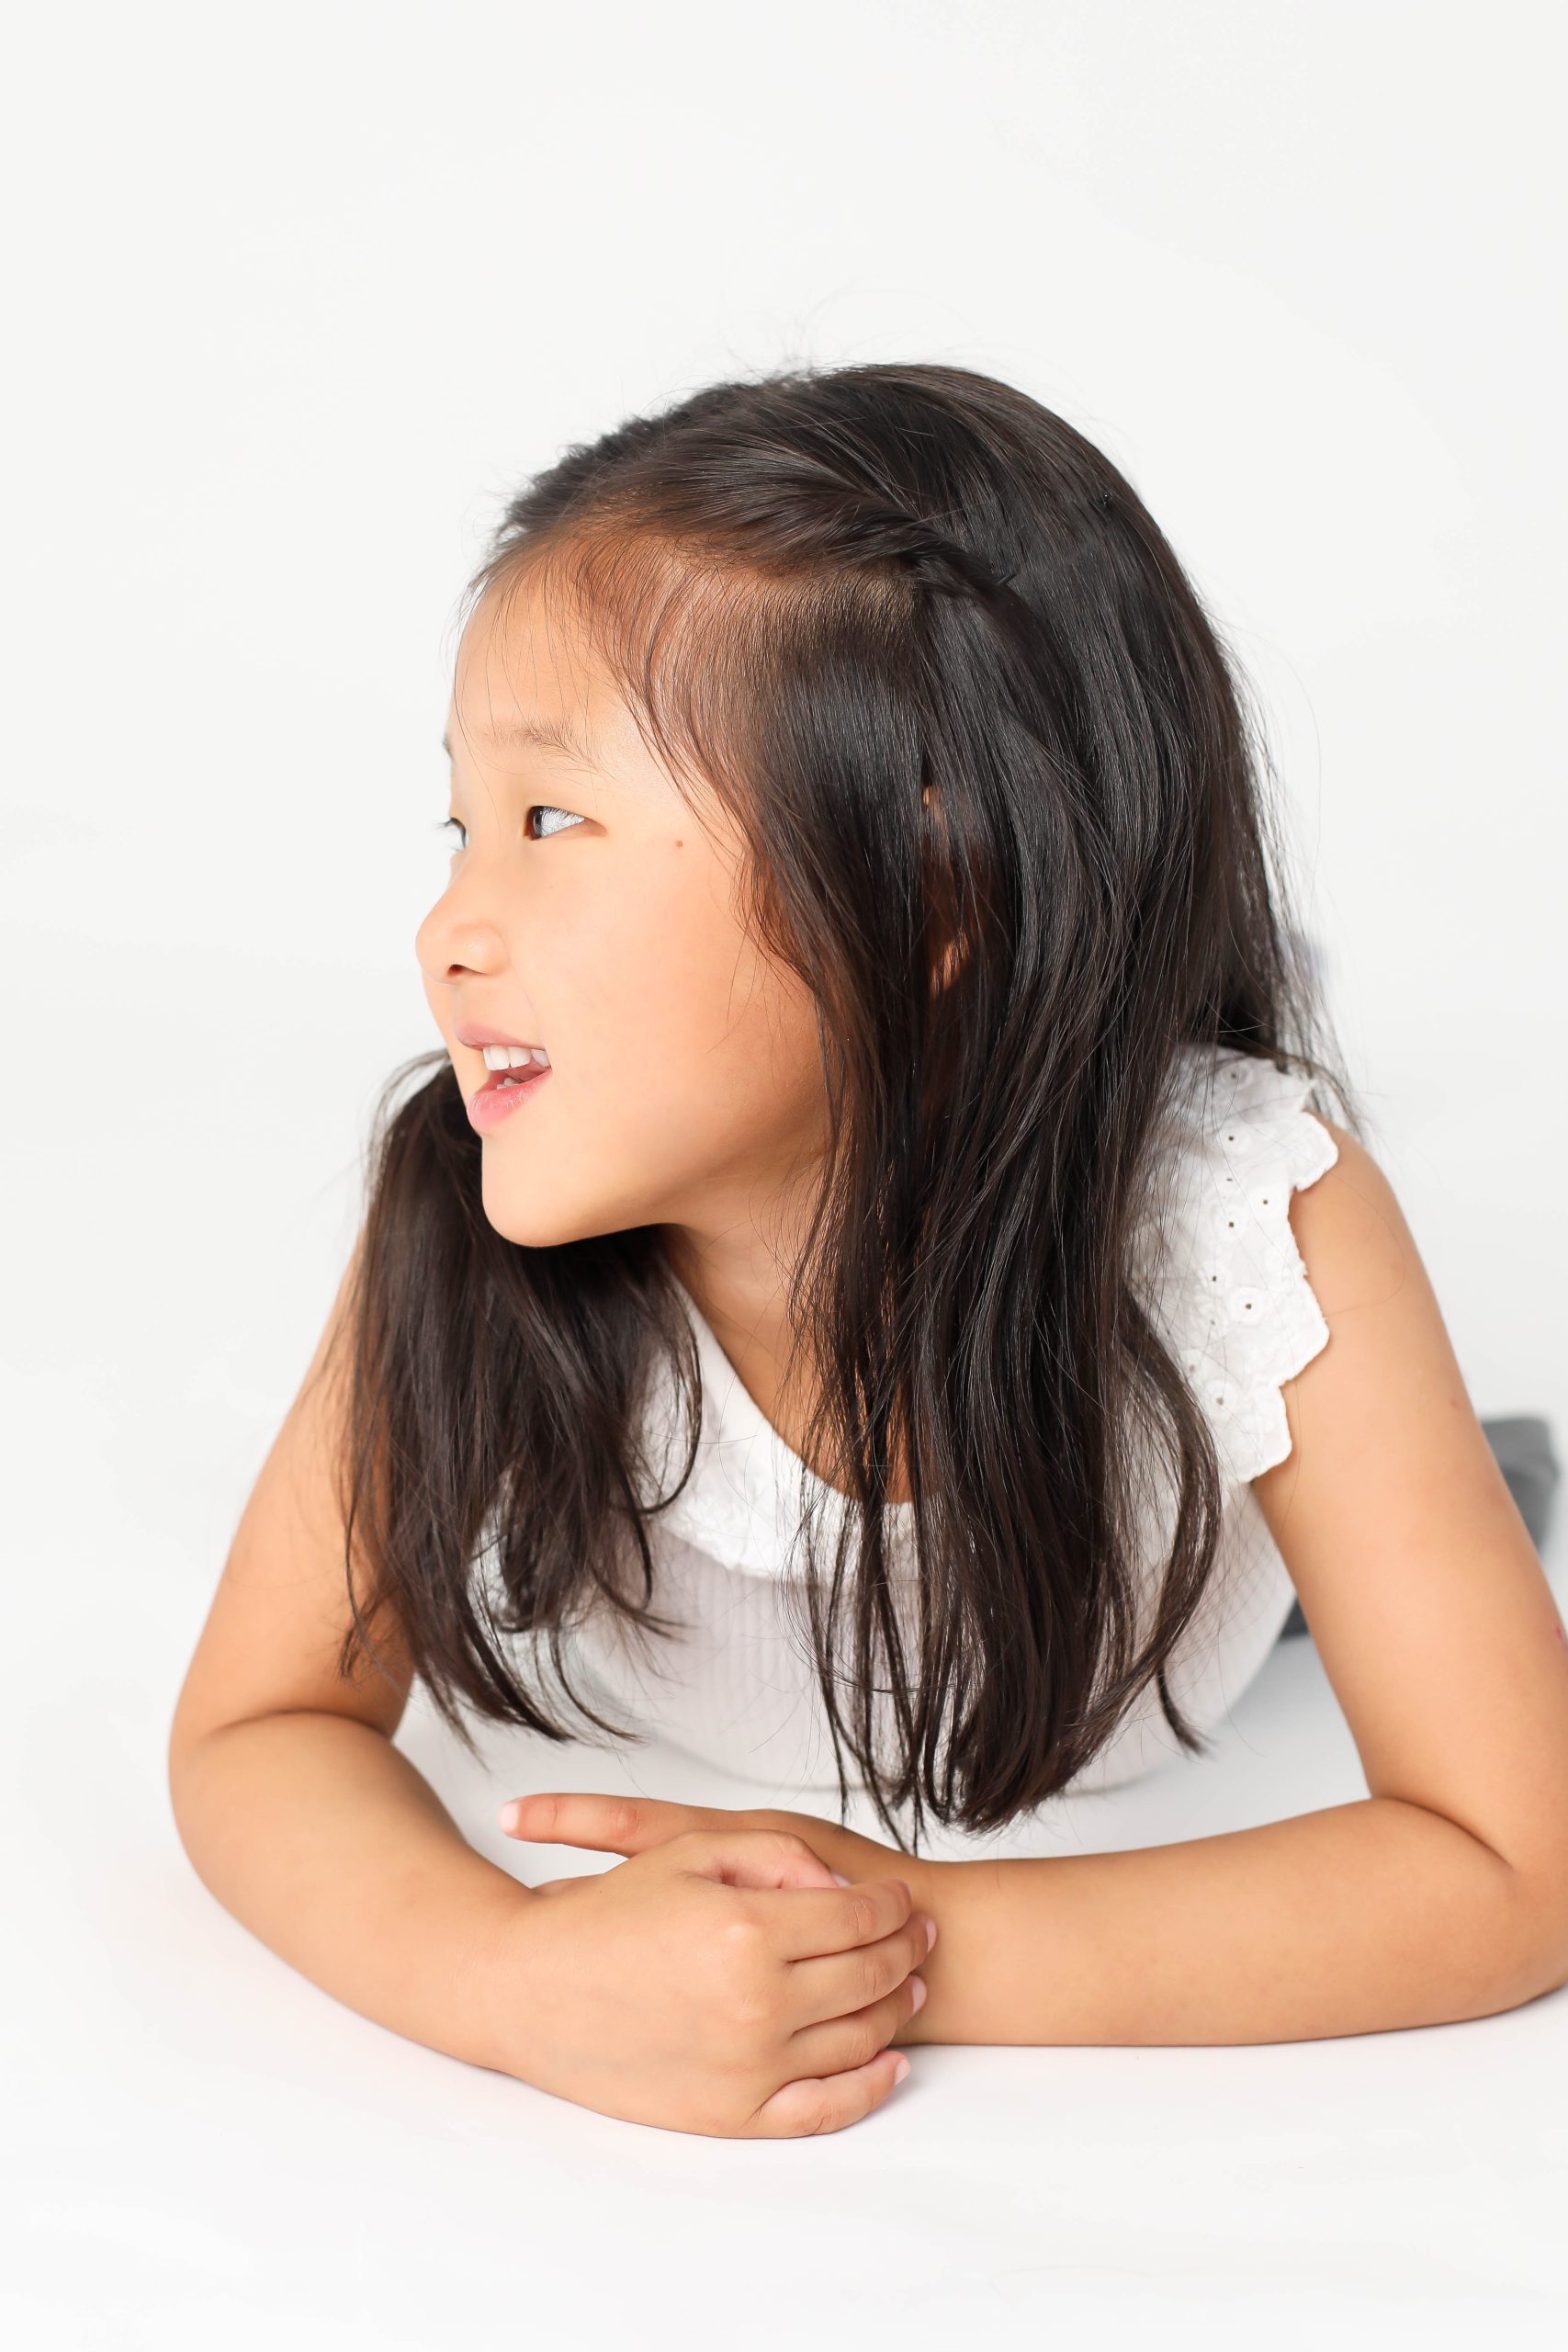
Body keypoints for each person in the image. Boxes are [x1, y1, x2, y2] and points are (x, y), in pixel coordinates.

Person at [167, 362, 1568, 2141]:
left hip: (1135, 1556)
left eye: (551, 821)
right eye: (462, 825)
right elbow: (258, 1723)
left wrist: (886, 1946)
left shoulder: (1249, 1210)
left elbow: (1514, 1860)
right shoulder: (466, 1200)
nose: (449, 922)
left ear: (927, 897)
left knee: (1425, 1500)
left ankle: (1462, 1478)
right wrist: (507, 1976)